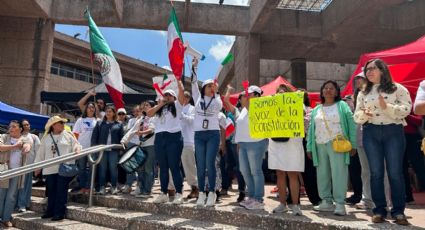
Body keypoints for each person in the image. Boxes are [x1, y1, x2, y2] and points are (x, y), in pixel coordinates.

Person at [354, 59, 411, 225]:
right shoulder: (363, 92)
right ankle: (379, 210)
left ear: (382, 70)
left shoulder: (397, 88)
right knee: (376, 173)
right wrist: (364, 115)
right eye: (367, 69)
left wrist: (387, 107)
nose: (369, 72)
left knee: (395, 172)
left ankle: (399, 211)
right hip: (371, 132)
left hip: (393, 131)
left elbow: (407, 109)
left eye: (372, 69)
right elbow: (356, 116)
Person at [307, 80, 357, 216]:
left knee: (338, 173)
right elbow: (312, 128)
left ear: (336, 92)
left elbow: (351, 125)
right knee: (322, 174)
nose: (328, 90)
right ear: (322, 91)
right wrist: (309, 147)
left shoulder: (342, 106)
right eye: (325, 88)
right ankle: (326, 201)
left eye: (331, 88)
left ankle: (340, 203)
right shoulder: (317, 108)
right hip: (319, 144)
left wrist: (353, 144)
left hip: (338, 144)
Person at [224, 84, 268, 210]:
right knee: (244, 171)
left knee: (255, 171)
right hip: (243, 145)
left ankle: (258, 199)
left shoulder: (261, 108)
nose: (241, 97)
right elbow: (226, 102)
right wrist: (229, 90)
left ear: (253, 96)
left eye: (244, 95)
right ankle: (252, 196)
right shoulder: (241, 110)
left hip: (256, 143)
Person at [34, 116, 81, 222]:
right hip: (49, 168)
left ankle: (59, 213)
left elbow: (77, 145)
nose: (63, 124)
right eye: (60, 122)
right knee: (51, 191)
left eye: (63, 123)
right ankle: (50, 211)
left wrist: (77, 149)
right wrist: (37, 167)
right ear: (53, 125)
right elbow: (40, 153)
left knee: (61, 191)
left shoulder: (68, 135)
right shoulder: (46, 138)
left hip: (64, 168)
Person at [190, 58, 223, 207]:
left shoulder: (217, 100)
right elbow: (192, 83)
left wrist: (216, 92)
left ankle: (212, 193)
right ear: (203, 88)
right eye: (208, 86)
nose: (211, 88)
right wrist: (194, 67)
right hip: (199, 135)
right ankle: (201, 193)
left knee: (210, 164)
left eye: (212, 86)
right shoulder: (197, 98)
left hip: (213, 134)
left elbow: (220, 107)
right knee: (200, 165)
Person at [269, 84, 304, 216]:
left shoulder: (297, 104)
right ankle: (282, 204)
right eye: (278, 92)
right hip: (276, 141)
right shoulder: (271, 107)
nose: (281, 94)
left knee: (292, 173)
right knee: (280, 173)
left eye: (283, 92)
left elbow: (301, 115)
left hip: (292, 143)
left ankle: (295, 205)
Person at [147, 84, 185, 204]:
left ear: (174, 98)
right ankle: (163, 193)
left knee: (174, 166)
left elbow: (182, 93)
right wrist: (161, 103)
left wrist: (179, 82)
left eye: (170, 95)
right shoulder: (159, 109)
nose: (167, 97)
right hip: (159, 137)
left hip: (173, 137)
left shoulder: (177, 106)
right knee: (163, 167)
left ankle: (179, 193)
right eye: (165, 95)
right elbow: (149, 113)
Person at [121, 100, 156, 198]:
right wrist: (124, 140)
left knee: (148, 169)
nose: (145, 107)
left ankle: (147, 191)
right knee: (141, 168)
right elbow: (132, 130)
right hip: (141, 145)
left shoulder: (154, 117)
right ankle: (141, 189)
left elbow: (152, 129)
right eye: (144, 105)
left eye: (147, 105)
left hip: (151, 145)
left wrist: (141, 133)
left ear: (153, 107)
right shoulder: (141, 118)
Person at [0, 120, 32, 227]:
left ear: (20, 129)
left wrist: (26, 148)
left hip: (16, 172)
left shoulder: (24, 139)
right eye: (10, 126)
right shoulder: (4, 137)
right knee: (1, 194)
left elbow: (27, 145)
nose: (11, 129)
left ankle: (6, 218)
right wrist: (14, 146)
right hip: (3, 170)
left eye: (14, 126)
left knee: (11, 196)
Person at [91, 105, 124, 195]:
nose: (108, 113)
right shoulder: (100, 123)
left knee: (113, 169)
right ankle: (102, 187)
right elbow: (94, 137)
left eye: (110, 111)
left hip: (114, 150)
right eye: (107, 111)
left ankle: (114, 187)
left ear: (114, 113)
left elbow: (122, 138)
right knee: (102, 169)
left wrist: (121, 148)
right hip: (102, 150)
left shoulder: (119, 124)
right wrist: (94, 147)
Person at [298, 89, 321, 206]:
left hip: (305, 142)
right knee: (294, 172)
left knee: (309, 172)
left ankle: (315, 198)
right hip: (292, 143)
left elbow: (307, 128)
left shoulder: (311, 111)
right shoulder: (289, 110)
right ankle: (292, 196)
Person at [72, 102, 98, 194]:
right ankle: (82, 187)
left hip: (93, 149)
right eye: (89, 107)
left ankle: (89, 187)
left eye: (93, 107)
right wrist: (76, 146)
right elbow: (75, 134)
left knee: (92, 169)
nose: (91, 109)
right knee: (81, 169)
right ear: (86, 109)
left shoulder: (97, 120)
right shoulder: (80, 120)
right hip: (82, 148)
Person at [16, 119, 40, 213]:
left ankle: (23, 204)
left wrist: (37, 165)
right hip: (17, 166)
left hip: (29, 165)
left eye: (28, 124)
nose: (27, 126)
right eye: (25, 125)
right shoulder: (17, 136)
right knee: (16, 186)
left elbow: (38, 151)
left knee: (25, 185)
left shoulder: (33, 137)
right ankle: (16, 203)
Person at [179, 91, 199, 199]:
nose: (182, 98)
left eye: (183, 97)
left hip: (188, 141)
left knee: (190, 166)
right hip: (177, 141)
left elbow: (192, 121)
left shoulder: (192, 108)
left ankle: (196, 188)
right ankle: (175, 188)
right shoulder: (177, 107)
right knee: (180, 167)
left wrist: (181, 114)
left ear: (187, 98)